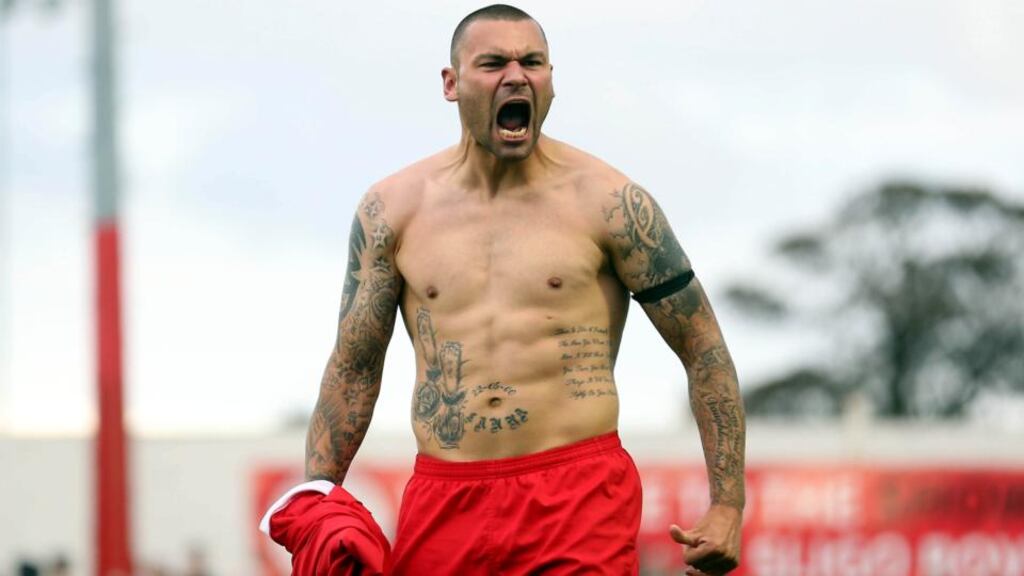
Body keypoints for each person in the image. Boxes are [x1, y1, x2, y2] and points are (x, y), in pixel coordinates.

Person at [293, 4, 745, 575]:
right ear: (451, 84)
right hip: (445, 495)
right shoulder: (392, 211)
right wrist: (315, 499)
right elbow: (354, 367)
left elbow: (702, 345)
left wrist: (728, 502)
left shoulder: (611, 204)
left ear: (550, 81)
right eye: (493, 63)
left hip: (576, 497)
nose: (516, 76)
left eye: (532, 62)